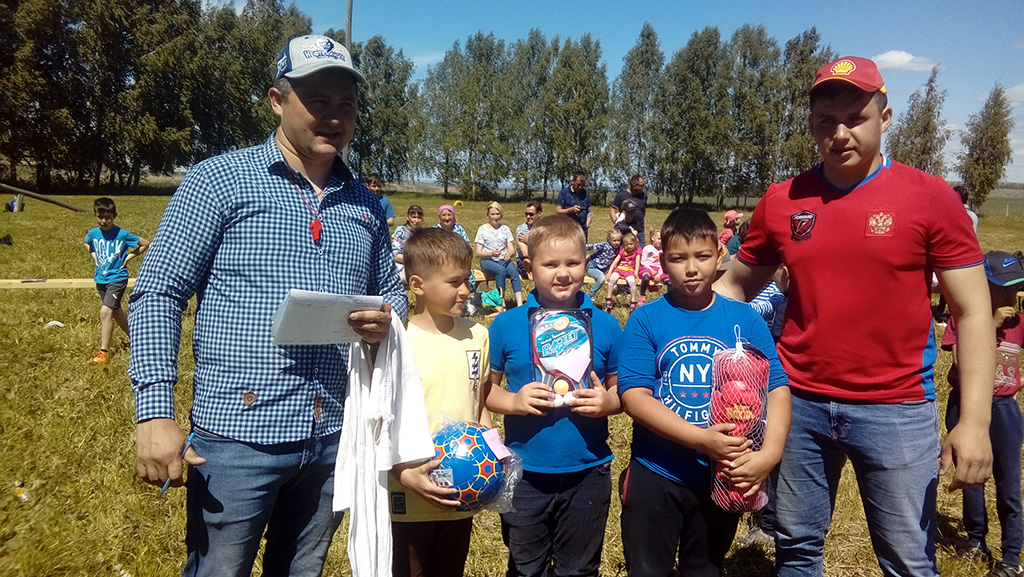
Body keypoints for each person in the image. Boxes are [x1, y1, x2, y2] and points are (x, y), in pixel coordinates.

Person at [128, 35, 407, 576]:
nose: (334, 117)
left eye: (346, 104)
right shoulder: (219, 180)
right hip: (238, 438)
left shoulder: (366, 204)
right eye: (318, 101)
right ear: (278, 101)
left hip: (334, 436)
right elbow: (158, 292)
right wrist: (156, 412)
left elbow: (391, 293)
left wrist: (385, 318)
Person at [714, 55, 995, 577]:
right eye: (827, 121)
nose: (840, 134)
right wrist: (668, 325)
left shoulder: (930, 198)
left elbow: (974, 310)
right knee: (796, 547)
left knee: (908, 560)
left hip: (897, 408)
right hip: (798, 402)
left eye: (855, 119)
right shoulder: (783, 200)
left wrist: (975, 422)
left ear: (884, 118)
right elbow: (734, 286)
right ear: (811, 125)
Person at [617, 207, 791, 577]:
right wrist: (701, 439)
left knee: (705, 569)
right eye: (678, 258)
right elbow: (634, 396)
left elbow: (777, 389)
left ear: (720, 255)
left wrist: (769, 456)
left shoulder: (746, 319)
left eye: (702, 256)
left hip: (724, 475)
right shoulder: (646, 319)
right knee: (647, 569)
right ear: (663, 261)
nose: (692, 268)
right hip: (657, 472)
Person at [485, 214, 623, 577]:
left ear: (587, 264)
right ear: (529, 268)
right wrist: (513, 402)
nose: (562, 273)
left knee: (579, 568)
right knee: (525, 567)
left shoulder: (607, 325)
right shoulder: (506, 325)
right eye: (550, 265)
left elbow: (623, 389)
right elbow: (485, 390)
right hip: (525, 473)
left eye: (572, 263)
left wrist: (609, 402)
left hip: (588, 471)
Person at [388, 227, 491, 577]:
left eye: (467, 280)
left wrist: (492, 455)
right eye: (454, 282)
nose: (466, 290)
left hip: (463, 490)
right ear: (417, 285)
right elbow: (380, 420)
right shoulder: (397, 340)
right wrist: (402, 474)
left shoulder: (478, 335)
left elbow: (480, 403)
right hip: (408, 493)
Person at [943, 251, 1024, 577]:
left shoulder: (1019, 323)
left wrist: (1017, 382)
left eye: (1015, 289)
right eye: (1003, 290)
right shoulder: (961, 319)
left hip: (1004, 409)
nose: (1010, 297)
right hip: (965, 404)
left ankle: (1011, 557)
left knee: (1009, 483)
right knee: (971, 478)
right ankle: (976, 540)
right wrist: (990, 324)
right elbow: (961, 361)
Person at [84, 197, 150, 363]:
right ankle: (137, 340)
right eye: (100, 217)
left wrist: (128, 257)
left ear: (115, 216)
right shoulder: (93, 233)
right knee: (116, 312)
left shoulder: (122, 234)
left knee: (105, 312)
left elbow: (145, 244)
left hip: (118, 278)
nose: (104, 221)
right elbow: (87, 243)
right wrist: (94, 256)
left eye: (108, 218)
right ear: (95, 215)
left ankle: (103, 352)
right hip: (101, 279)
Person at [475, 201, 523, 311]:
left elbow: (511, 248)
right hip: (487, 260)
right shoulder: (482, 229)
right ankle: (501, 303)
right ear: (488, 215)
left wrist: (509, 253)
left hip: (503, 259)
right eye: (493, 214)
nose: (495, 217)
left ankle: (519, 303)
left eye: (497, 214)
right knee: (500, 271)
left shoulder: (505, 229)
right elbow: (478, 252)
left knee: (513, 271)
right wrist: (490, 253)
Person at [435, 204, 476, 293]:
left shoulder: (459, 229)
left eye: (449, 215)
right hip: (441, 265)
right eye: (444, 215)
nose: (447, 218)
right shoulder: (434, 230)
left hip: (458, 263)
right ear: (439, 216)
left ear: (454, 216)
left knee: (468, 279)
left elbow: (467, 248)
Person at [605, 230, 641, 314]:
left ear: (635, 243)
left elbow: (637, 263)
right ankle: (609, 297)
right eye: (626, 244)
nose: (629, 246)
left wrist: (636, 273)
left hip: (630, 270)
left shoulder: (637, 252)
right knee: (612, 278)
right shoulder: (622, 251)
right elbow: (615, 262)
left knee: (631, 281)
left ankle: (633, 300)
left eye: (631, 244)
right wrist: (609, 273)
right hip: (620, 269)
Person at [610, 174, 648, 244]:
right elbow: (613, 209)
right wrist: (616, 222)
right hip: (624, 230)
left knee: (640, 249)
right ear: (634, 185)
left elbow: (643, 209)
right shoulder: (621, 195)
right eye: (641, 185)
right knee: (624, 249)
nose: (643, 187)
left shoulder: (644, 195)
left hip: (639, 230)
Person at [392, 204, 424, 283]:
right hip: (401, 264)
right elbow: (394, 255)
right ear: (408, 217)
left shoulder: (423, 233)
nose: (416, 220)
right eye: (413, 217)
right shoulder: (401, 231)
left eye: (419, 218)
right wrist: (414, 261)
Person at [586, 229, 621, 299]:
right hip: (592, 266)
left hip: (603, 270)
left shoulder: (619, 249)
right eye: (614, 240)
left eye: (618, 240)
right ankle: (589, 296)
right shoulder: (604, 245)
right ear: (609, 240)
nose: (616, 242)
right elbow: (591, 246)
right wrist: (578, 246)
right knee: (601, 278)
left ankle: (621, 291)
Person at [556, 170, 593, 240]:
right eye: (578, 185)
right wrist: (571, 210)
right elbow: (558, 211)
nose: (580, 187)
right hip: (568, 229)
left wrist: (588, 222)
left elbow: (590, 211)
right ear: (573, 181)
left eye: (582, 185)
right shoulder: (564, 193)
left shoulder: (585, 194)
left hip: (582, 230)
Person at [637, 228, 668, 307]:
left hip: (660, 269)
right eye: (659, 239)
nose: (661, 241)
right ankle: (642, 296)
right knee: (646, 275)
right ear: (653, 238)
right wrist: (650, 269)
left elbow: (663, 263)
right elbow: (643, 261)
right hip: (647, 268)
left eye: (662, 239)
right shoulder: (647, 248)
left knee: (669, 279)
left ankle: (670, 299)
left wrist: (659, 273)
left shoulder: (664, 250)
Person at [516, 200, 543, 278]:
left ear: (539, 213)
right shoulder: (522, 229)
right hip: (524, 262)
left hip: (540, 260)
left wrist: (529, 240)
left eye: (531, 214)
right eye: (526, 214)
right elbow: (525, 253)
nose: (528, 217)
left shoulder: (545, 228)